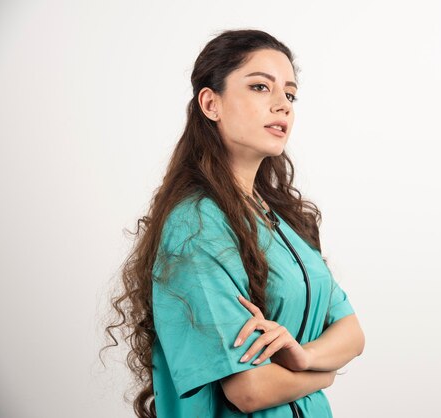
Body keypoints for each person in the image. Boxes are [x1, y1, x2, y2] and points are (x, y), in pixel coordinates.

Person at [101, 28, 365, 418]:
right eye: (261, 87)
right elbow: (250, 391)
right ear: (211, 103)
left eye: (290, 94)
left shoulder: (280, 217)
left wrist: (303, 356)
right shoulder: (196, 226)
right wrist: (324, 375)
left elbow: (352, 333)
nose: (283, 105)